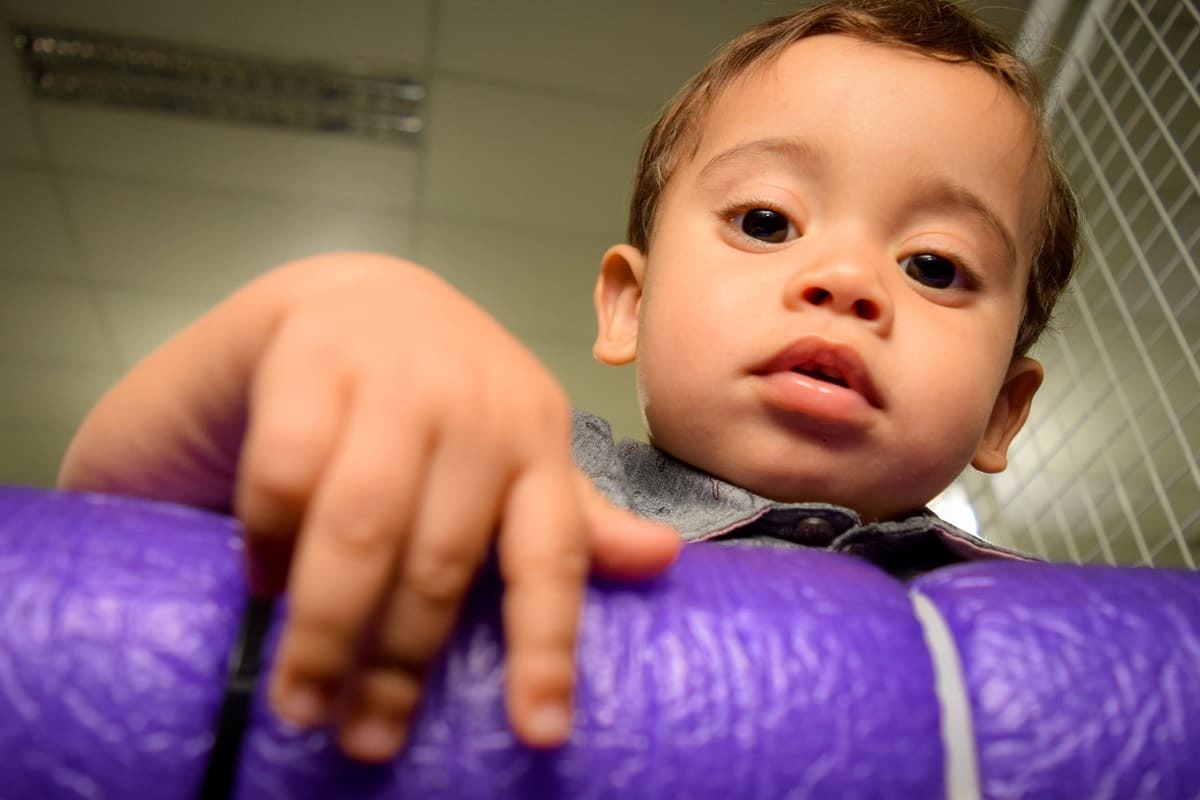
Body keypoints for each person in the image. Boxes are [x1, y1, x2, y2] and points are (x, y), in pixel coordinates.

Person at [57, 0, 1077, 767]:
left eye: (934, 266)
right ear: (627, 304)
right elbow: (101, 536)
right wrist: (319, 309)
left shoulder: (1057, 625)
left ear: (1003, 409)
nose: (847, 281)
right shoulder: (515, 476)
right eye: (767, 221)